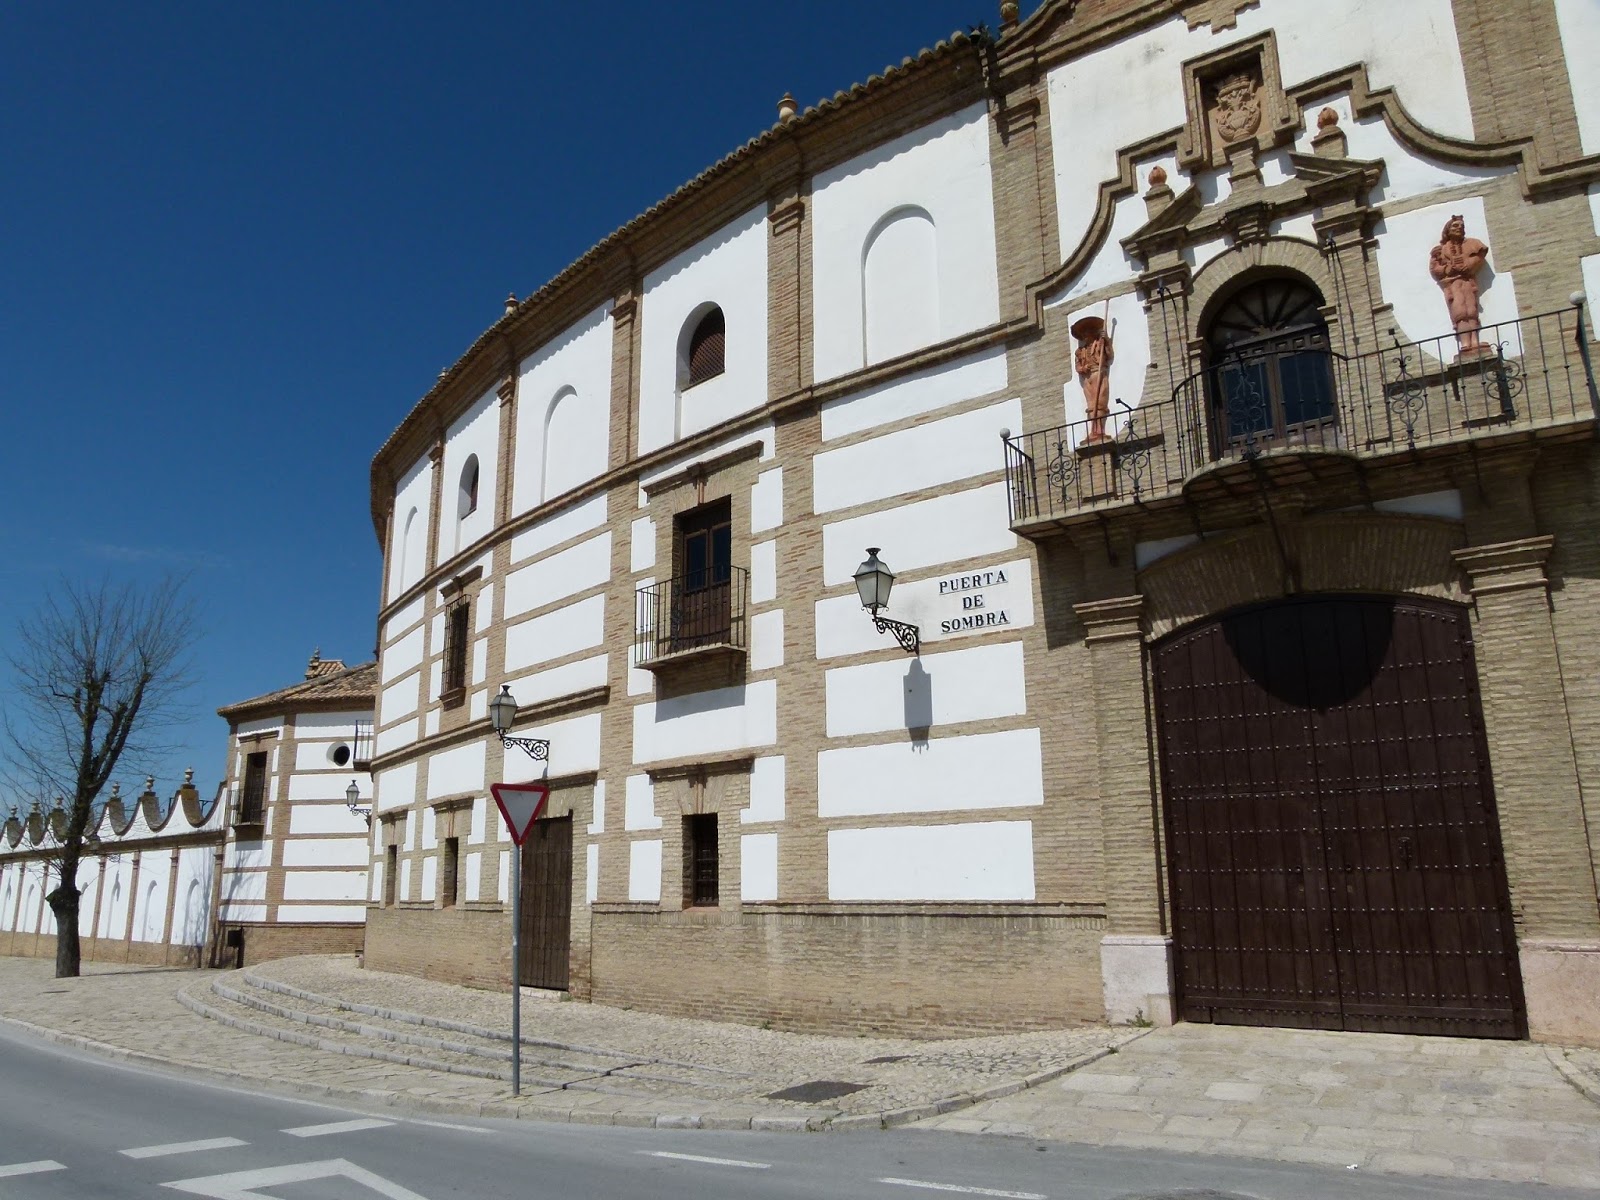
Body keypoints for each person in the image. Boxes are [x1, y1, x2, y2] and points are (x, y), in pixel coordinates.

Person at [1429, 215, 1490, 354]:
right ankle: (1465, 343)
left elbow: (1478, 257)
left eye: (1462, 226)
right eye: (1455, 226)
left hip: (1468, 281)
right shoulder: (1440, 250)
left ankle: (1474, 341)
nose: (1459, 228)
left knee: (1471, 310)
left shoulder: (1471, 243)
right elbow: (1435, 268)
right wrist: (1449, 269)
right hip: (1453, 284)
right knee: (1460, 312)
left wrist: (1468, 265)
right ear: (1448, 230)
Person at [1072, 313, 1115, 442]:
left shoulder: (1100, 344)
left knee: (1100, 402)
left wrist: (1106, 340)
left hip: (1098, 373)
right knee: (1091, 404)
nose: (1086, 336)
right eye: (1084, 334)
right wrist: (1082, 368)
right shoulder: (1080, 351)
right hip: (1087, 378)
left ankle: (1100, 429)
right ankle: (1093, 430)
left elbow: (1109, 355)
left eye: (1088, 332)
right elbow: (1078, 366)